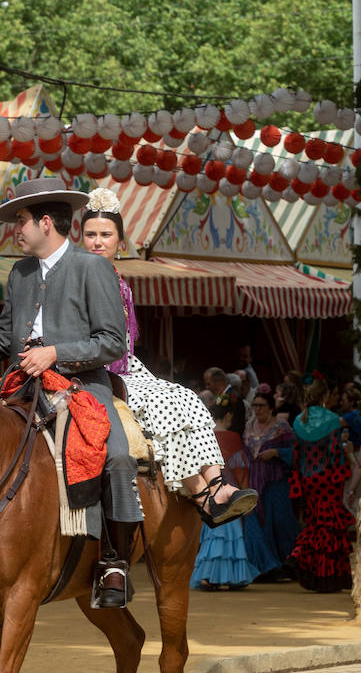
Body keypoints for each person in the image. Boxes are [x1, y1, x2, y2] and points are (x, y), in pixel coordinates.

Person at [0, 177, 143, 609]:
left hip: (84, 385)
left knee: (117, 456)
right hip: (23, 386)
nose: (16, 230)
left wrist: (56, 353)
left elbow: (111, 342)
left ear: (46, 222)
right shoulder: (20, 272)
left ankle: (113, 564)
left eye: (21, 221)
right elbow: (5, 335)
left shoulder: (92, 267)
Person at [80, 188, 257, 528]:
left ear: (120, 242)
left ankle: (218, 484)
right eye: (90, 235)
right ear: (81, 238)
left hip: (126, 367)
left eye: (106, 235)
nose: (97, 242)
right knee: (164, 405)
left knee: (188, 397)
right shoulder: (77, 279)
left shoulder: (121, 283)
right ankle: (199, 492)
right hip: (95, 370)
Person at [285, 379, 353, 593]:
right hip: (329, 480)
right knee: (330, 526)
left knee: (317, 522)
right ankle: (307, 561)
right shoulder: (333, 420)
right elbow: (334, 454)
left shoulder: (298, 420)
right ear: (324, 397)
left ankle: (321, 572)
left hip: (307, 479)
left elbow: (296, 455)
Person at [190, 401, 257, 592]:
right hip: (228, 489)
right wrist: (244, 490)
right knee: (230, 534)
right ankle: (231, 576)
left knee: (213, 534)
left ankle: (208, 576)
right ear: (227, 416)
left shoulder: (202, 434)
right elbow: (240, 467)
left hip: (205, 491)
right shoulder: (233, 437)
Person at [242, 386, 299, 582]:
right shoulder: (248, 426)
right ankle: (263, 568)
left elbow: (295, 453)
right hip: (253, 482)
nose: (257, 409)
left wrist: (276, 453)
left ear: (271, 407)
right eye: (255, 405)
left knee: (280, 524)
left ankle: (286, 566)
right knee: (255, 524)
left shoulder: (281, 428)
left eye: (261, 406)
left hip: (276, 482)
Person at [203, 367, 247, 436]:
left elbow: (235, 424)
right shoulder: (222, 396)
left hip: (229, 438)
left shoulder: (233, 397)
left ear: (218, 382)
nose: (207, 387)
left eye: (209, 384)